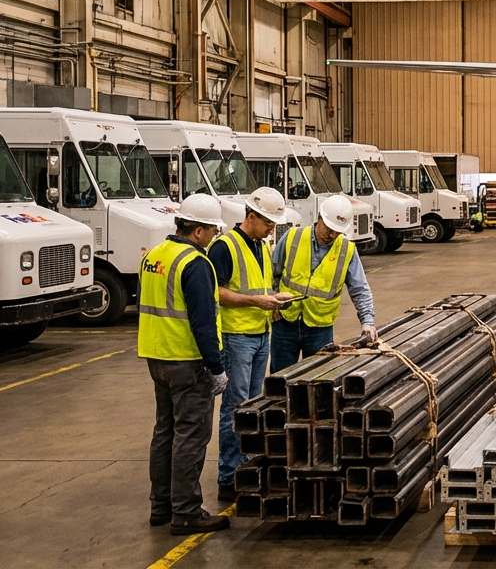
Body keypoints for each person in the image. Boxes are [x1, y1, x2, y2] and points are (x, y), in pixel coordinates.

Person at [138, 193, 230, 535]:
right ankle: (187, 512)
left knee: (165, 431)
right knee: (190, 435)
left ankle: (161, 506)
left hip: (155, 356)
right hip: (187, 361)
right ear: (200, 230)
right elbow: (203, 322)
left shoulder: (155, 255)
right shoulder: (195, 263)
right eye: (212, 231)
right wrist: (216, 366)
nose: (214, 237)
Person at [210, 188, 296, 503]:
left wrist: (272, 301)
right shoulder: (225, 246)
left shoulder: (260, 245)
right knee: (235, 407)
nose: (273, 228)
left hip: (260, 333)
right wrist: (254, 301)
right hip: (236, 338)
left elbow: (258, 287)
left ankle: (245, 466)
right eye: (269, 222)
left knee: (250, 406)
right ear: (251, 216)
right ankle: (228, 477)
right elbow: (215, 292)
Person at [270, 194, 377, 372]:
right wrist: (272, 301)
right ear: (319, 218)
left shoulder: (346, 249)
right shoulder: (292, 237)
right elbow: (272, 272)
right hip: (285, 322)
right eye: (329, 229)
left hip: (320, 327)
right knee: (280, 380)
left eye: (338, 231)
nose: (333, 234)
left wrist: (368, 322)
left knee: (319, 378)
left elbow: (359, 289)